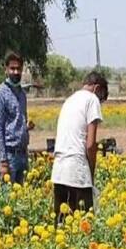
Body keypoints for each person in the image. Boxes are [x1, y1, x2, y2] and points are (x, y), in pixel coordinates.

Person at [51, 71, 108, 223]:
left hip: (59, 170)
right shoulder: (91, 100)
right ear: (96, 88)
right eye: (101, 97)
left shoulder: (69, 100)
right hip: (77, 170)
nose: (100, 102)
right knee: (84, 224)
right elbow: (90, 145)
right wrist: (92, 170)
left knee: (62, 224)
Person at [0, 51, 34, 184]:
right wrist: (3, 161)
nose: (16, 72)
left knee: (21, 199)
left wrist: (26, 127)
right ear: (6, 70)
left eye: (18, 69)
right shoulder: (0, 94)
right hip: (9, 157)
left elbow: (16, 121)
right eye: (12, 68)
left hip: (22, 154)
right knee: (8, 201)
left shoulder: (21, 94)